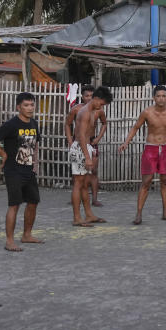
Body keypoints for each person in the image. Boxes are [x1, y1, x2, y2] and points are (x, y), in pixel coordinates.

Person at [119, 85, 166, 225]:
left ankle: (165, 213)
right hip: (150, 149)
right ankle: (139, 214)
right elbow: (135, 127)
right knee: (146, 182)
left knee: (165, 181)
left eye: (163, 96)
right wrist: (126, 142)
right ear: (154, 98)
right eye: (158, 96)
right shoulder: (147, 113)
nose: (161, 98)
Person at [0, 92, 43, 251]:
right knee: (14, 205)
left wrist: (35, 162)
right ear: (18, 107)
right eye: (26, 105)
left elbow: (35, 144)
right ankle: (9, 241)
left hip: (29, 170)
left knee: (33, 202)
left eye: (32, 105)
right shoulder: (12, 124)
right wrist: (3, 154)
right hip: (13, 170)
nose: (30, 108)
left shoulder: (34, 123)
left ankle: (27, 235)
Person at [70, 87, 112, 226]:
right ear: (97, 98)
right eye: (102, 103)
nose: (101, 106)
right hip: (81, 148)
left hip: (85, 147)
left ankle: (88, 215)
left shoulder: (91, 111)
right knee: (78, 183)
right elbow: (81, 135)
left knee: (84, 184)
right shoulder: (85, 112)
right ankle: (77, 218)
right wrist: (87, 157)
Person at [65, 85, 103, 208]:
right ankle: (76, 198)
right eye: (86, 96)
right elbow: (67, 124)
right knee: (77, 173)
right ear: (82, 96)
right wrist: (70, 141)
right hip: (78, 143)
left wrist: (98, 138)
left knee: (93, 171)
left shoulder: (98, 110)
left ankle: (95, 199)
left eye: (92, 96)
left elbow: (104, 123)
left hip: (92, 142)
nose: (89, 98)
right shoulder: (76, 109)